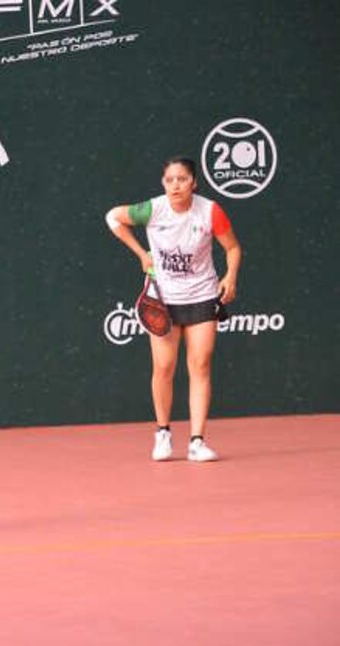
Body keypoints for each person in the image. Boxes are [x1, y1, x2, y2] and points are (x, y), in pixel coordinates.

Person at [105, 157, 241, 462]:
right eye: (169, 180)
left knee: (201, 365)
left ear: (193, 182)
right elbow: (113, 217)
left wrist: (230, 276)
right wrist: (141, 254)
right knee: (164, 368)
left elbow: (232, 248)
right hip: (163, 300)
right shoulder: (153, 209)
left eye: (182, 179)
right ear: (163, 183)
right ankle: (163, 434)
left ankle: (196, 441)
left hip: (203, 295)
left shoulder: (210, 211)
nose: (175, 185)